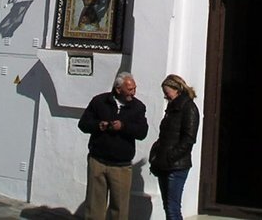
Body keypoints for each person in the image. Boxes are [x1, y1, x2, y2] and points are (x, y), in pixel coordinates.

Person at [78, 72, 148, 220]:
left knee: (120, 208)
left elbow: (142, 132)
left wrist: (123, 126)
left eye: (134, 89)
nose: (133, 93)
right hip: (98, 161)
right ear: (118, 89)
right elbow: (83, 124)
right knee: (94, 206)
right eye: (130, 89)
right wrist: (99, 126)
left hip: (121, 165)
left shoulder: (138, 107)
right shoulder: (99, 101)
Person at [149, 74, 200, 220]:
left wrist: (170, 156)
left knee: (173, 208)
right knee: (168, 206)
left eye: (167, 92)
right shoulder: (172, 108)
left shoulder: (188, 107)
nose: (165, 96)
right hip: (164, 163)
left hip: (176, 165)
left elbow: (189, 138)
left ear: (176, 89)